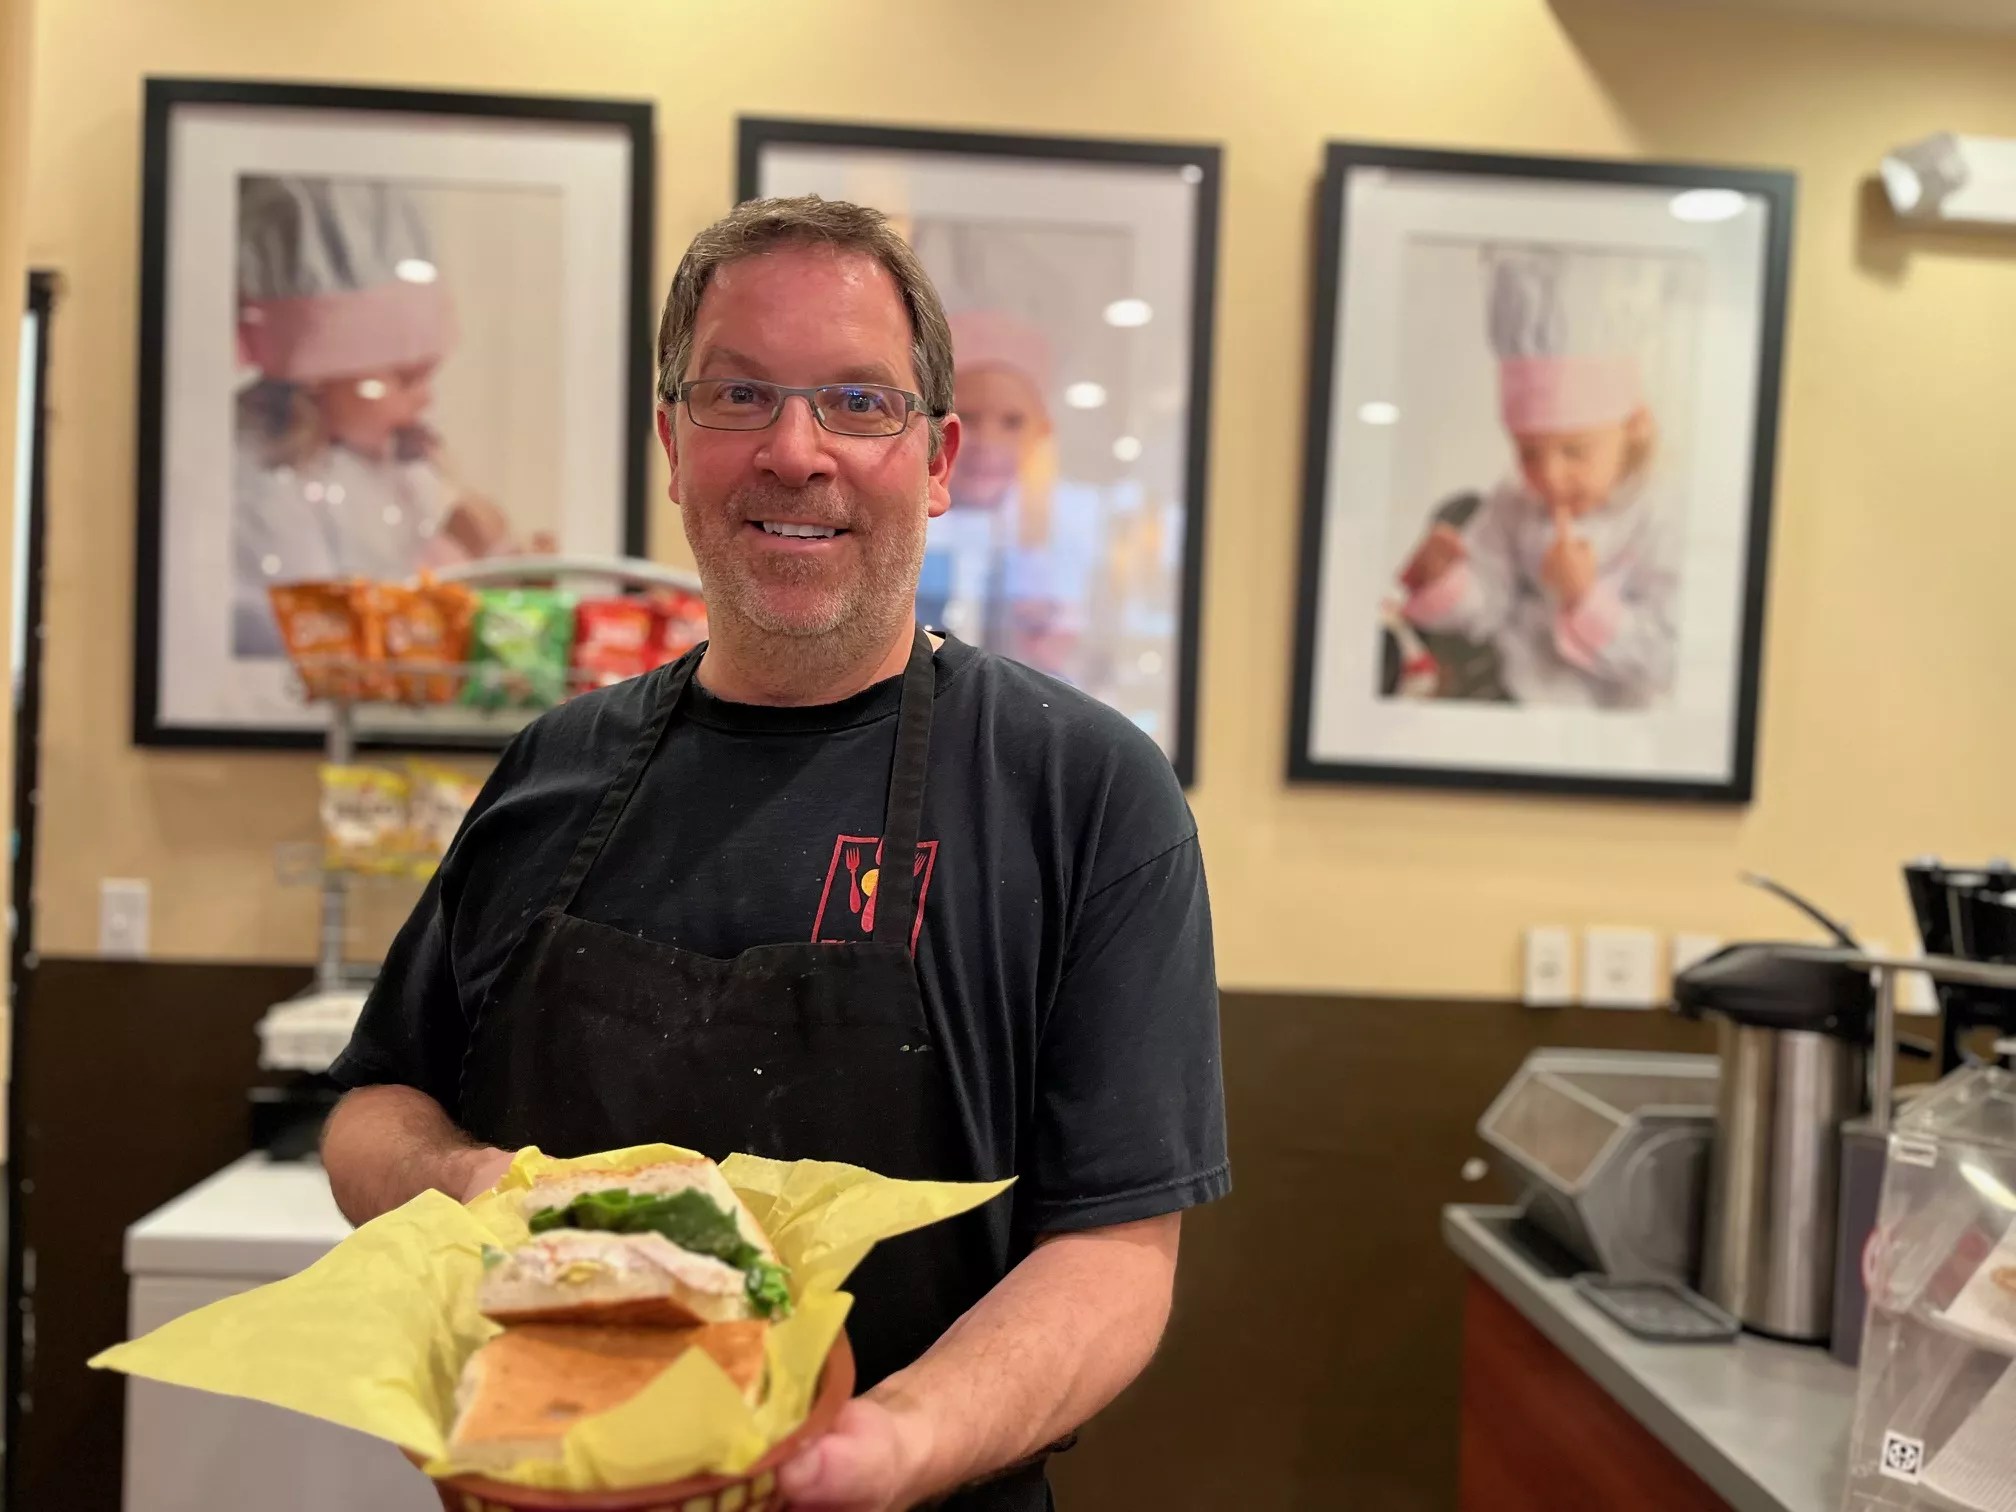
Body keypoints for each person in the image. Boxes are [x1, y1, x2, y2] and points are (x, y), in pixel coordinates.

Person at [319, 194, 1229, 1512]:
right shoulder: (548, 772)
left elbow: (1118, 1251)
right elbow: (369, 1115)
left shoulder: (1080, 792)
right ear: (672, 444)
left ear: (938, 460)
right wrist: (474, 1183)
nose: (796, 451)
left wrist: (881, 1446)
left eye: (860, 402)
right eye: (739, 397)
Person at [232, 177, 540, 656]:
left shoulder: (401, 470)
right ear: (317, 373)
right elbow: (315, 631)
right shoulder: (256, 483)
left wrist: (500, 565)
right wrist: (451, 567)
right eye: (404, 379)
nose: (425, 402)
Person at [1397, 247, 1683, 708]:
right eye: (1528, 451)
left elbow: (1669, 658)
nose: (1548, 475)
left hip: (1615, 733)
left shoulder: (1659, 518)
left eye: (1575, 451)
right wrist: (1447, 578)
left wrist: (1584, 599)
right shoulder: (1513, 502)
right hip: (1511, 700)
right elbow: (1487, 606)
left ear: (1635, 430)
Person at [918, 310, 1100, 680]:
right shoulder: (909, 523)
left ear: (1042, 432)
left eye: (1012, 422)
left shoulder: (1064, 534)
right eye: (968, 417)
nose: (987, 443)